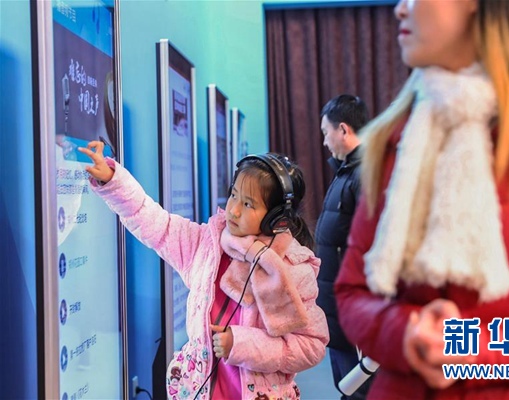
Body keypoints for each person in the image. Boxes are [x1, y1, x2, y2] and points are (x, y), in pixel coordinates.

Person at [335, 0, 509, 399]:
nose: (400, 10)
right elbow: (353, 291)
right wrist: (408, 333)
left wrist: (472, 348)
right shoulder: (397, 137)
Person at [78, 142, 328, 400]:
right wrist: (113, 181)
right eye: (234, 195)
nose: (234, 210)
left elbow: (311, 345)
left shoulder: (292, 269)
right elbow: (155, 222)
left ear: (276, 218)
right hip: (199, 390)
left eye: (248, 204)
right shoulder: (206, 245)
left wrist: (242, 345)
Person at [315, 94, 371, 399]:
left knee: (360, 390)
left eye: (327, 132)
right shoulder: (346, 171)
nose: (325, 141)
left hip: (353, 312)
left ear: (344, 130)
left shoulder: (365, 175)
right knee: (348, 388)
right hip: (338, 310)